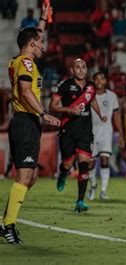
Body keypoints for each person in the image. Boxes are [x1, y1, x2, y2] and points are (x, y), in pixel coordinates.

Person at [1, 2, 61, 244]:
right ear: (32, 45)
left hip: (26, 122)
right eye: (40, 42)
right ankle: (9, 225)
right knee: (25, 176)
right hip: (26, 121)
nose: (43, 45)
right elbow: (26, 92)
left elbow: (35, 35)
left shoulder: (20, 60)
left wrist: (43, 19)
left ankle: (6, 220)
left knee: (31, 177)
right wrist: (43, 113)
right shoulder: (26, 63)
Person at [49, 59, 107, 212]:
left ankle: (80, 202)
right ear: (72, 70)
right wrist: (69, 109)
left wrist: (100, 114)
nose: (81, 70)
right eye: (77, 67)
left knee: (84, 166)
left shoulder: (90, 87)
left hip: (85, 132)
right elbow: (52, 106)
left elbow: (93, 100)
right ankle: (63, 172)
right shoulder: (64, 85)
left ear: (86, 69)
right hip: (67, 130)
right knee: (67, 163)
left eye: (83, 67)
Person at [87, 72, 124, 200]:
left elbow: (117, 116)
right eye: (96, 79)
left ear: (105, 81)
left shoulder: (112, 96)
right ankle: (93, 185)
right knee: (90, 164)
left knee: (104, 160)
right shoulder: (88, 95)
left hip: (106, 131)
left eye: (101, 78)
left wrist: (121, 135)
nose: (99, 81)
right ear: (93, 80)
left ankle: (103, 191)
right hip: (90, 131)